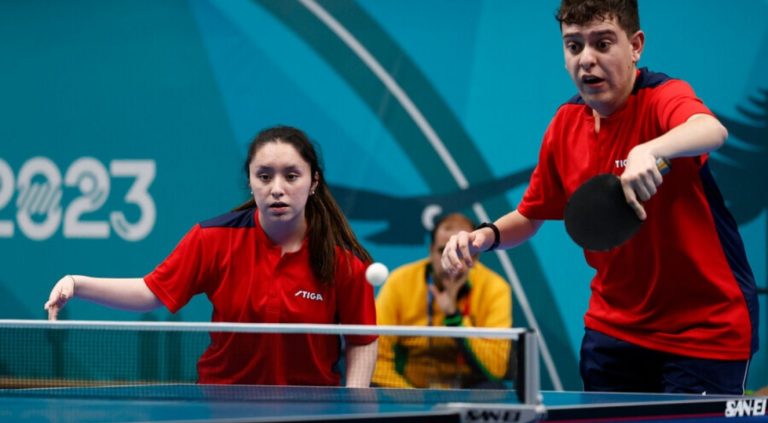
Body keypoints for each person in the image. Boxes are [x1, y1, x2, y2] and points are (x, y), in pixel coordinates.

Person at [442, 0, 758, 395]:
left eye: (602, 44)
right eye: (574, 46)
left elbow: (709, 129)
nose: (586, 60)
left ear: (636, 45)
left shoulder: (662, 97)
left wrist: (653, 149)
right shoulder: (564, 125)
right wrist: (483, 236)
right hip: (615, 329)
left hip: (703, 331)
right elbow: (531, 214)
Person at [44, 125, 378, 387]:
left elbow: (362, 340)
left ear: (314, 182)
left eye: (292, 176)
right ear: (250, 181)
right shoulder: (213, 240)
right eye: (264, 176)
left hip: (311, 413)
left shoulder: (344, 261)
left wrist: (353, 408)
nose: (277, 188)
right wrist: (77, 284)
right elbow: (151, 292)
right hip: (224, 405)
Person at [372, 213, 512, 388]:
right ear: (430, 251)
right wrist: (413, 400)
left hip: (468, 395)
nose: (450, 261)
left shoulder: (495, 288)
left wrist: (455, 318)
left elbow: (496, 368)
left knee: (494, 390)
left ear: (475, 257)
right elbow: (376, 361)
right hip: (409, 393)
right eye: (443, 251)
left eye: (462, 251)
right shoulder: (399, 282)